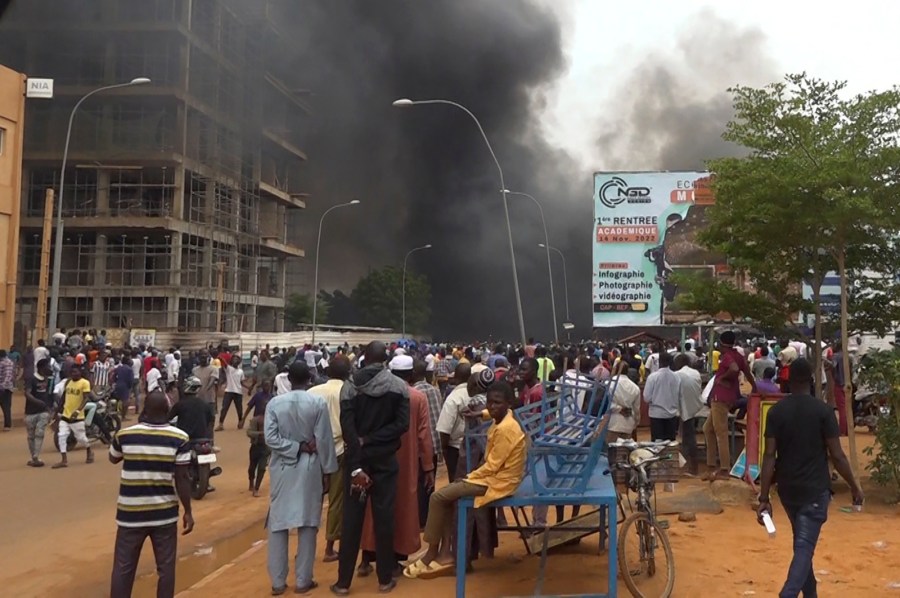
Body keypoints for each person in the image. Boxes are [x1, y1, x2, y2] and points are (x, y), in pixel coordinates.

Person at [757, 358, 864, 598]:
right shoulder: (823, 412)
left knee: (801, 543)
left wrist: (764, 498)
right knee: (804, 547)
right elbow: (837, 456)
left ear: (787, 380)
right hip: (815, 491)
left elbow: (769, 457)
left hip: (788, 491)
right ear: (812, 381)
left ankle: (810, 594)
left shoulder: (776, 412)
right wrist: (855, 487)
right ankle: (788, 593)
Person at [403, 381, 526, 580]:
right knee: (448, 499)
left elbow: (492, 466)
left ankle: (432, 553)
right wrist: (481, 414)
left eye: (497, 403)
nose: (492, 406)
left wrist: (469, 476)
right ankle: (444, 553)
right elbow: (494, 415)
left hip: (497, 482)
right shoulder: (504, 419)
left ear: (508, 403)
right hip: (494, 477)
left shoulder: (506, 430)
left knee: (438, 496)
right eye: (489, 402)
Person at [332, 342, 410, 595]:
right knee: (384, 518)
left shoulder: (350, 386)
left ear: (364, 357)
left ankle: (343, 583)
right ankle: (385, 579)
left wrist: (357, 459)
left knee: (352, 520)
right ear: (385, 359)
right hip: (385, 461)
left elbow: (347, 429)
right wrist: (375, 439)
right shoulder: (399, 387)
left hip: (357, 462)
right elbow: (402, 425)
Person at [108, 391, 194, 598]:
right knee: (165, 569)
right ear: (167, 411)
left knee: (123, 569)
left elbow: (113, 458)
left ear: (144, 409)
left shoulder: (125, 434)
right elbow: (182, 478)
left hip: (130, 514)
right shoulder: (179, 438)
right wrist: (188, 512)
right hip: (164, 514)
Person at [357, 355, 435, 579]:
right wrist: (428, 466)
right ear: (412, 375)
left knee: (372, 505)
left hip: (376, 456)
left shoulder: (378, 392)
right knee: (401, 507)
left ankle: (365, 559)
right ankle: (391, 561)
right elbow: (424, 435)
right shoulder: (418, 397)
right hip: (405, 462)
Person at [265, 361, 338, 595]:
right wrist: (328, 470)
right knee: (308, 523)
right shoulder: (316, 403)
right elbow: (324, 439)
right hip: (309, 468)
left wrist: (294, 447)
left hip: (282, 468)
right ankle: (303, 580)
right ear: (309, 379)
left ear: (287, 380)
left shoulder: (274, 404)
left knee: (278, 524)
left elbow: (271, 438)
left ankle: (277, 583)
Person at [308, 355, 352, 563]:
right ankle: (329, 547)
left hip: (313, 451)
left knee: (311, 500)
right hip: (340, 450)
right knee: (336, 500)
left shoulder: (312, 392)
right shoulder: (348, 392)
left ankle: (306, 548)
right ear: (348, 373)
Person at [704, 330, 756, 480]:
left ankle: (724, 469)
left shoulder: (727, 356)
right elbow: (747, 372)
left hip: (720, 397)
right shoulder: (738, 355)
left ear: (721, 343)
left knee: (720, 433)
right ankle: (711, 466)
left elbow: (734, 369)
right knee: (708, 429)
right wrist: (755, 388)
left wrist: (722, 378)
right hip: (729, 397)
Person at [412, 359, 443, 526]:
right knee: (430, 481)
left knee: (417, 482)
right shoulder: (435, 390)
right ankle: (429, 518)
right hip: (434, 442)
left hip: (420, 443)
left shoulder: (413, 392)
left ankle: (420, 519)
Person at [435, 361, 474, 482]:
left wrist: (444, 450)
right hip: (477, 446)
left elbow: (444, 429)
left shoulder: (453, 398)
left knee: (456, 483)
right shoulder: (477, 394)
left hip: (456, 449)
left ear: (456, 378)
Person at [52, 365, 96, 468]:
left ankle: (89, 450)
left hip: (77, 417)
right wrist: (57, 412)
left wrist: (77, 411)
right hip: (66, 415)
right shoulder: (68, 382)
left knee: (81, 438)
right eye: (72, 372)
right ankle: (64, 460)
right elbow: (63, 397)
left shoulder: (85, 383)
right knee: (61, 436)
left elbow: (86, 399)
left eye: (75, 372)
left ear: (80, 372)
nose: (73, 374)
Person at [674, 354, 704, 475]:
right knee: (688, 435)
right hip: (695, 406)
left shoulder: (677, 375)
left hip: (681, 408)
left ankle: (693, 467)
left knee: (688, 437)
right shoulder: (695, 373)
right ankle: (689, 464)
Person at [642, 351, 681, 441]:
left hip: (656, 415)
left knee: (657, 444)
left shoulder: (653, 377)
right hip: (672, 415)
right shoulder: (676, 377)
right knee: (670, 444)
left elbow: (646, 398)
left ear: (660, 361)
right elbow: (678, 394)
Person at [25, 358, 55, 466]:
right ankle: (34, 456)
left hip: (44, 411)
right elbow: (27, 393)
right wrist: (39, 402)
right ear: (42, 368)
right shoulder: (32, 379)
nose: (50, 368)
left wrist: (50, 408)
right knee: (30, 436)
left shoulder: (50, 379)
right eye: (48, 366)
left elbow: (50, 395)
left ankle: (36, 456)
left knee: (39, 433)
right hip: (31, 411)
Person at [605, 361, 642, 442]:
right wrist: (635, 423)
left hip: (612, 423)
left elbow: (605, 404)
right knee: (624, 451)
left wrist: (618, 409)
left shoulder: (608, 383)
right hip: (628, 424)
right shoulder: (635, 387)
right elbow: (636, 409)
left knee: (610, 451)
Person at [218, 355, 249, 431]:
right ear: (231, 361)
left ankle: (240, 422)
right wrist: (221, 358)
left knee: (239, 409)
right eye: (234, 359)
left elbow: (241, 382)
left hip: (238, 392)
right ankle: (221, 424)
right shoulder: (228, 368)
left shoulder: (241, 371)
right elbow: (224, 363)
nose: (235, 361)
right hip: (229, 391)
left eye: (237, 359)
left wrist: (248, 387)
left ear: (239, 362)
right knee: (224, 408)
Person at [246, 411, 270, 497]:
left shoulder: (272, 420)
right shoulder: (255, 420)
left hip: (266, 448)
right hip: (256, 446)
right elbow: (249, 432)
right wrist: (260, 433)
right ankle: (251, 482)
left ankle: (256, 488)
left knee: (262, 468)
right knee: (252, 467)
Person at [0, 349, 15, 430]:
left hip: (3, 388)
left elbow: (7, 376)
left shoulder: (4, 363)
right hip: (7, 388)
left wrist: (2, 386)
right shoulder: (9, 362)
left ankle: (7, 425)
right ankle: (7, 425)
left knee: (6, 407)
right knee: (6, 407)